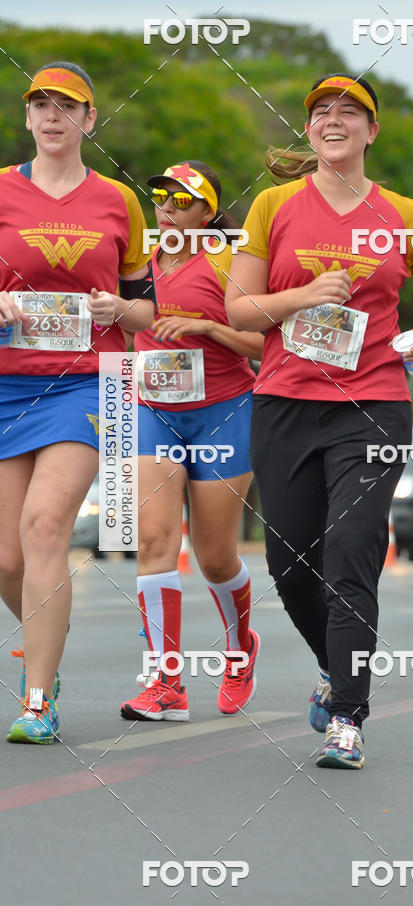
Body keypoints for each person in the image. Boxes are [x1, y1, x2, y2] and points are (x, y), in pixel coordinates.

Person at [225, 73, 413, 768]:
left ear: (371, 131)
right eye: (322, 112)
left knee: (351, 552)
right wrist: (301, 295)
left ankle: (349, 717)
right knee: (289, 564)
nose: (334, 121)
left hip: (373, 407)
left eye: (349, 113)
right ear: (310, 130)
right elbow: (240, 310)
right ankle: (334, 670)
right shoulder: (275, 206)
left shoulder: (406, 214)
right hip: (284, 404)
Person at [0, 62, 155, 743]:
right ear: (28, 118)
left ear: (90, 120)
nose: (53, 115)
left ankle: (37, 700)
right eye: (41, 104)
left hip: (86, 382)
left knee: (43, 527)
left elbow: (148, 306)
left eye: (68, 105)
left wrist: (121, 306)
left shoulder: (119, 202)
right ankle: (47, 652)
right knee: (5, 558)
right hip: (8, 384)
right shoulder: (1, 190)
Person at [120, 161, 263, 722]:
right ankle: (166, 683)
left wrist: (210, 330)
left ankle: (240, 646)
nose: (167, 208)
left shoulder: (230, 260)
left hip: (224, 414)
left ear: (207, 212)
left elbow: (262, 340)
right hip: (153, 411)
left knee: (215, 556)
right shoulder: (137, 263)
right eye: (160, 197)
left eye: (182, 201)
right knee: (155, 541)